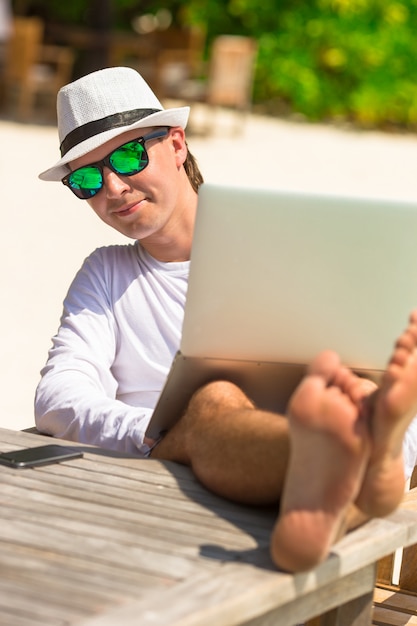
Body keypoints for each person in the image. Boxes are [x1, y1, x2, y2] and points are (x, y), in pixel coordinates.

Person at [35, 66, 417, 573]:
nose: (112, 186)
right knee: (212, 399)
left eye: (127, 155)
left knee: (358, 390)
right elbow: (57, 397)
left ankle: (340, 475)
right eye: (85, 179)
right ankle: (359, 465)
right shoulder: (106, 273)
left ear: (177, 144)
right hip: (171, 495)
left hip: (279, 475)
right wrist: (160, 434)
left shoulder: (280, 241)